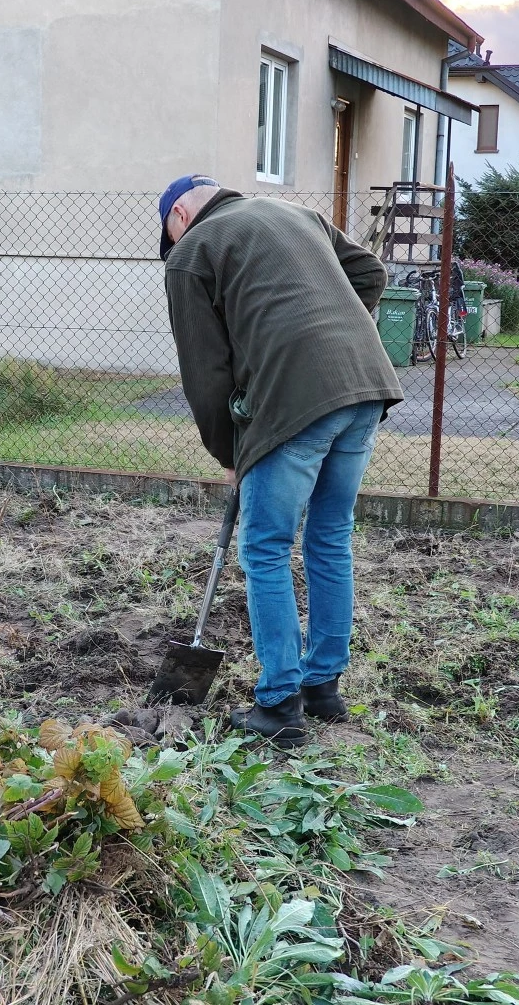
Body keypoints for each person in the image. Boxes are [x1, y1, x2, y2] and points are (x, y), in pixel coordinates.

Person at [159, 174, 403, 747]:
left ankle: (279, 703)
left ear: (178, 218)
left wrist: (230, 450)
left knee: (265, 545)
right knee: (329, 535)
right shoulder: (294, 213)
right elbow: (370, 273)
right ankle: (323, 688)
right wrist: (331, 338)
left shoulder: (191, 253)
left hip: (297, 402)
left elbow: (205, 371)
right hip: (365, 385)